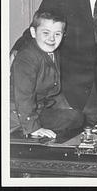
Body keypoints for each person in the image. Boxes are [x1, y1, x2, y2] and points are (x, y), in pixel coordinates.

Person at [10, 10, 84, 138]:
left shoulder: (53, 52)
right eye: (46, 33)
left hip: (38, 109)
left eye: (57, 34)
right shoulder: (27, 58)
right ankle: (22, 129)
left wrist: (66, 108)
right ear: (33, 33)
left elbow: (53, 89)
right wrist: (34, 128)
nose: (51, 39)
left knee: (77, 117)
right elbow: (23, 97)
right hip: (17, 111)